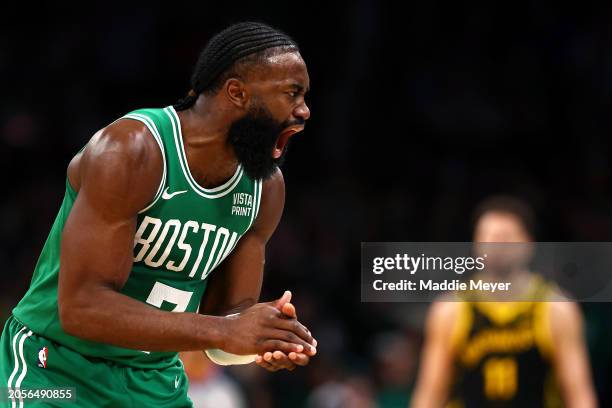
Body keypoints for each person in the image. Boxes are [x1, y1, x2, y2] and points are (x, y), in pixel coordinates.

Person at [0, 21, 317, 407]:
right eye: (291, 94)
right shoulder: (131, 150)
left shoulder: (265, 189)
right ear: (236, 92)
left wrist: (263, 339)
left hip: (155, 380)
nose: (303, 111)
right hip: (55, 368)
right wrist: (224, 330)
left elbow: (224, 334)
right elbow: (82, 308)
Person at [411, 196, 597, 408]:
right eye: (488, 236)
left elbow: (580, 396)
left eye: (506, 237)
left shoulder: (557, 308)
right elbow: (429, 395)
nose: (496, 245)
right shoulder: (450, 309)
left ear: (529, 244)